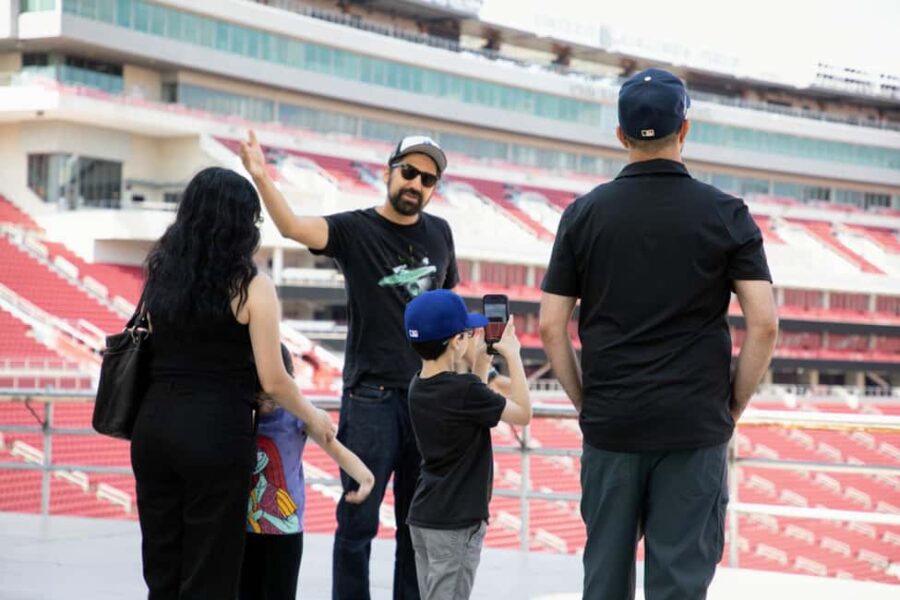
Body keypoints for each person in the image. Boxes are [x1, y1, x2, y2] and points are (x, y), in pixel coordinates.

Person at [538, 68, 778, 600]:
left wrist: (585, 403)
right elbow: (764, 323)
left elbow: (551, 326)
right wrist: (731, 405)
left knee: (604, 582)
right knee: (679, 587)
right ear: (684, 130)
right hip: (694, 424)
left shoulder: (582, 215)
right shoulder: (726, 213)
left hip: (612, 422)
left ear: (620, 135)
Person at [240, 131, 459, 600]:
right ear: (389, 172)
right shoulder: (356, 229)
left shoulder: (441, 233)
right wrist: (261, 177)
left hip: (426, 399)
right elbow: (293, 227)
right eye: (409, 172)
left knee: (417, 526)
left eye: (428, 179)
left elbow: (449, 310)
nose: (416, 184)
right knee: (358, 522)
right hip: (370, 398)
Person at [130, 166, 337, 599]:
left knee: (162, 569)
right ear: (241, 223)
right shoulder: (251, 286)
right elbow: (275, 380)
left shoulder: (160, 273)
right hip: (215, 433)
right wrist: (314, 416)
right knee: (210, 571)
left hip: (153, 427)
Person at [403, 290, 531, 600]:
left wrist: (481, 362)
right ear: (456, 341)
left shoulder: (417, 385)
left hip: (426, 516)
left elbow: (469, 401)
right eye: (466, 333)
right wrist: (512, 354)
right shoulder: (465, 391)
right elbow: (523, 413)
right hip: (456, 522)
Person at [240, 343, 375, 600]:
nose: (266, 406)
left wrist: (364, 476)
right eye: (260, 397)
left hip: (286, 532)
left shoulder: (297, 415)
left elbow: (334, 448)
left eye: (272, 398)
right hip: (245, 529)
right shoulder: (242, 413)